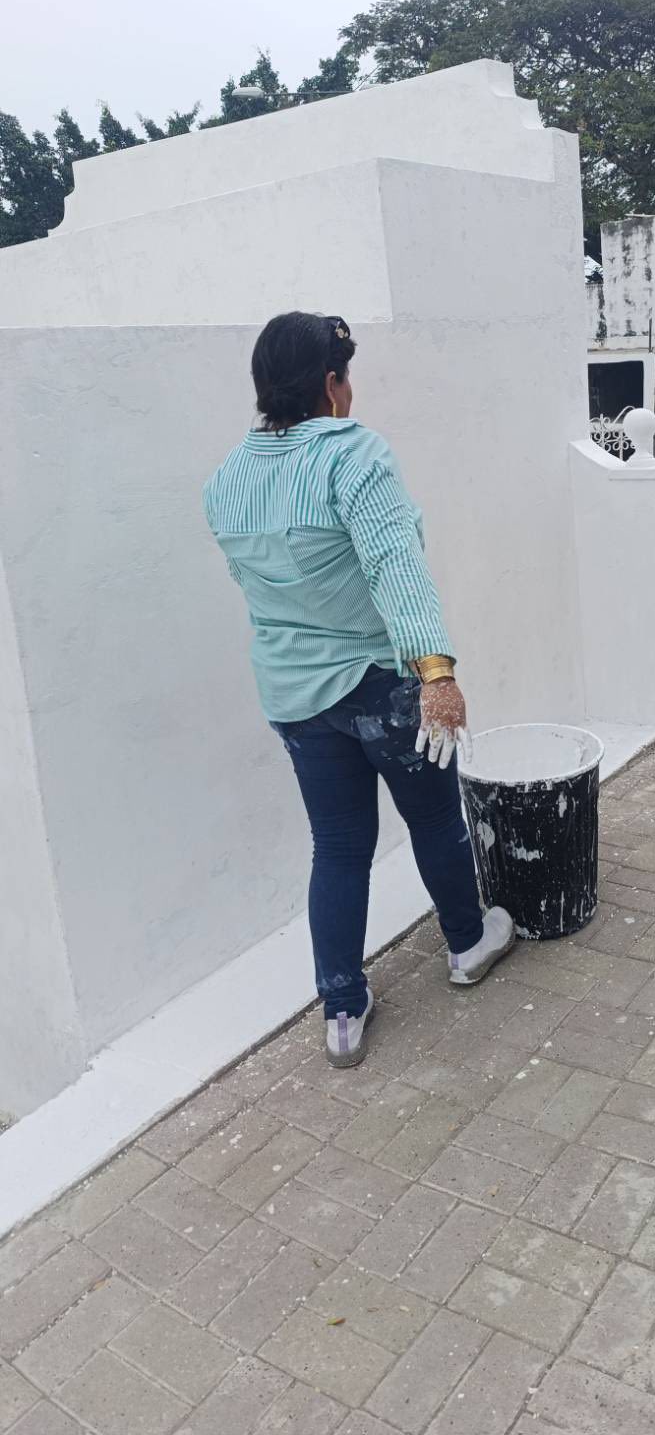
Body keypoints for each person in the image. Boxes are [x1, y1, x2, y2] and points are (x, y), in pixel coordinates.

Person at [204, 311, 514, 1066]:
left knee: (338, 847)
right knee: (434, 821)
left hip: (294, 695)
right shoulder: (352, 452)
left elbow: (255, 584)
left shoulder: (226, 479)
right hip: (382, 688)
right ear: (330, 382)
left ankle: (342, 1010)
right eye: (346, 375)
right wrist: (437, 671)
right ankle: (468, 944)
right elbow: (392, 560)